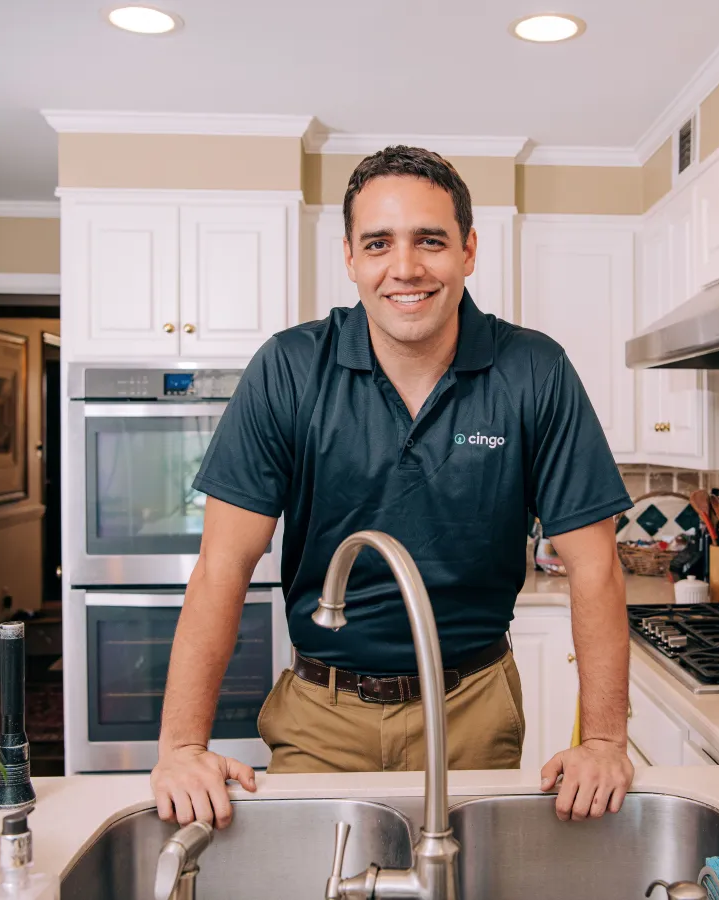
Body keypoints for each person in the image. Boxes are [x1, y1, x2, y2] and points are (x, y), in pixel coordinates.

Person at [150, 145, 634, 831]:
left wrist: (606, 743)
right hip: (321, 715)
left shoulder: (535, 371)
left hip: (474, 709)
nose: (405, 268)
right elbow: (223, 566)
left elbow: (595, 566)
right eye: (379, 243)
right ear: (350, 258)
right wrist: (180, 748)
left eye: (429, 241)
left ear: (468, 250)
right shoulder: (289, 371)